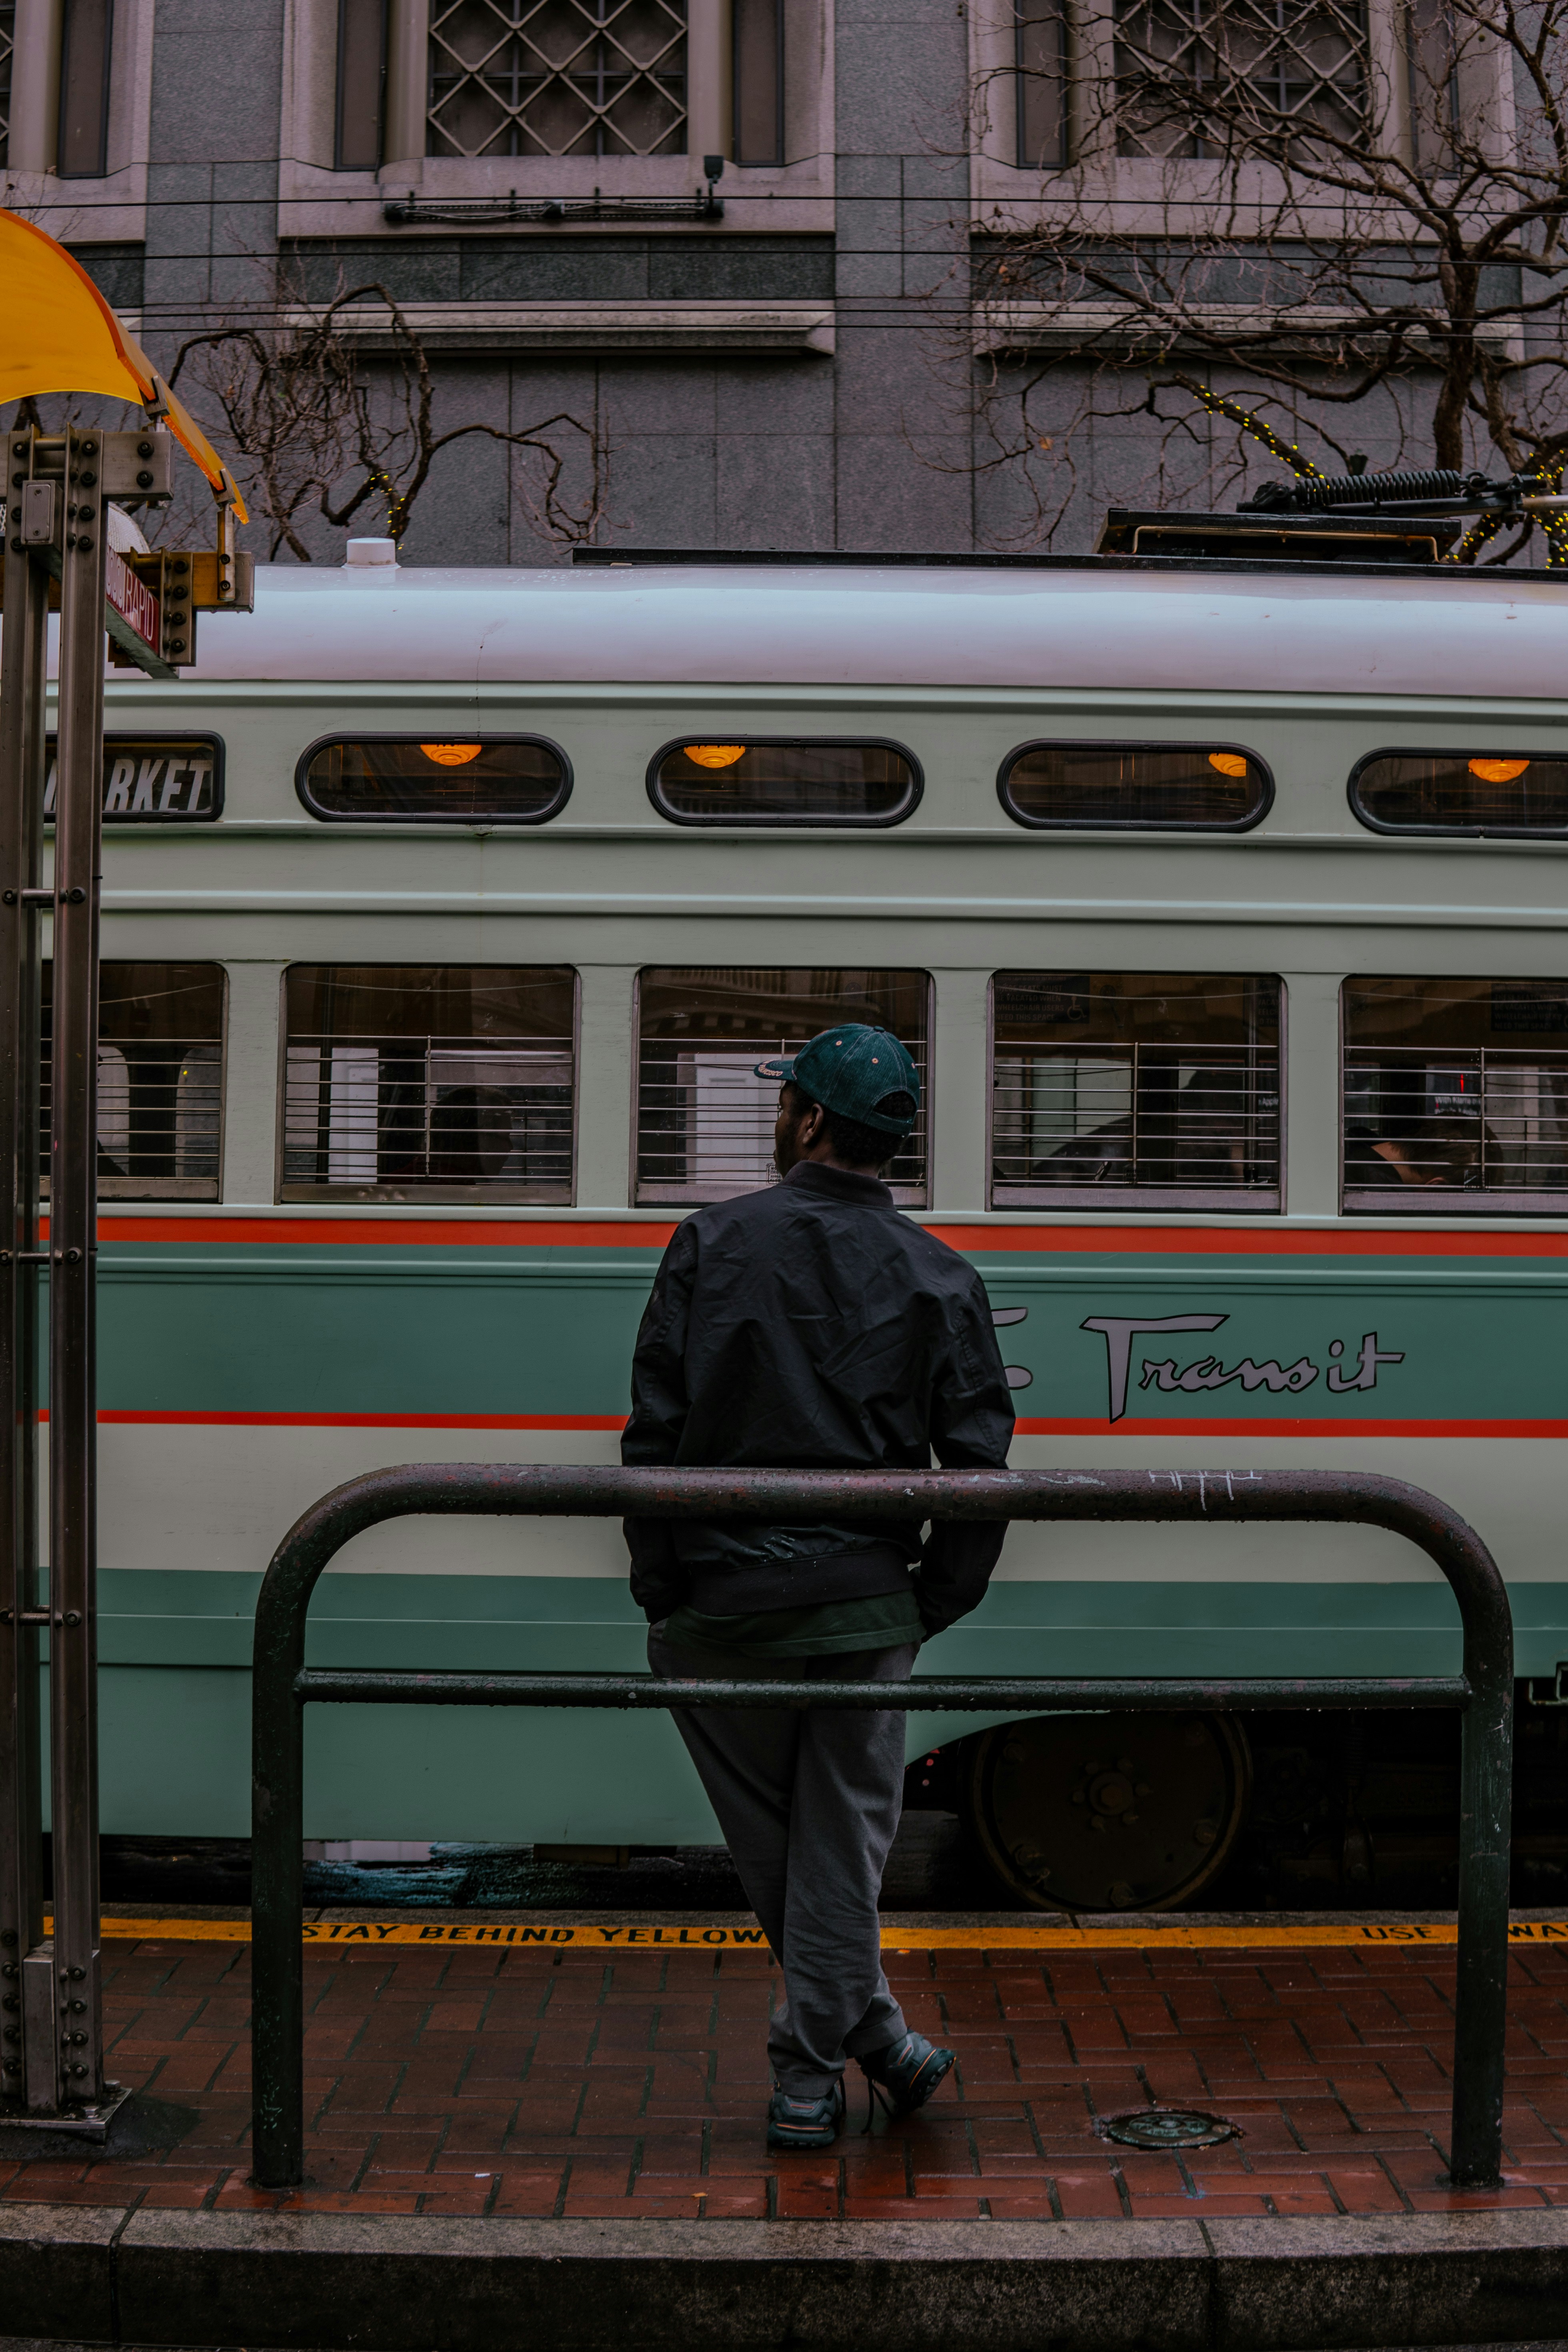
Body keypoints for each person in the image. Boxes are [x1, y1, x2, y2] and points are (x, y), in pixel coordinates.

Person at [622, 1024, 1016, 2150]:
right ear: (891, 1141)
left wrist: (664, 1584)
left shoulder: (710, 1241)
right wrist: (935, 1596)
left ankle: (812, 2073)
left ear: (802, 1118)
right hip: (866, 1605)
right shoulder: (942, 1274)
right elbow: (979, 1462)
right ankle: (867, 2042)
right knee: (838, 1847)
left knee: (777, 1850)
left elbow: (654, 1431)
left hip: (717, 1609)